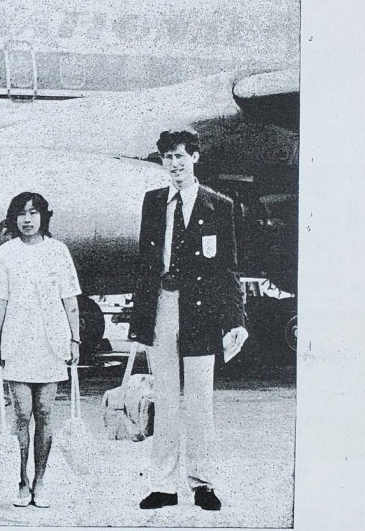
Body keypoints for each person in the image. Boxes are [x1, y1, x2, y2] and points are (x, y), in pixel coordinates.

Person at [129, 129, 249, 511]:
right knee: (164, 398)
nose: (174, 164)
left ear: (195, 157)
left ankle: (202, 482)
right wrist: (141, 317)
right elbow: (146, 265)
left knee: (199, 400)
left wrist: (236, 319)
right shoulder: (153, 203)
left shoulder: (219, 205)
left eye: (180, 156)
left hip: (201, 310)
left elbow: (228, 268)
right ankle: (164, 484)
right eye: (167, 157)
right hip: (163, 304)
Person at [0, 192, 81, 508]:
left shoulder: (59, 251)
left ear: (44, 216)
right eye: (21, 213)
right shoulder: (4, 252)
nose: (27, 219)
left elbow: (71, 300)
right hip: (17, 342)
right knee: (22, 414)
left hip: (51, 342)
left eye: (34, 212)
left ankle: (40, 481)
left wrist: (75, 339)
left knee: (44, 413)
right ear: (13, 219)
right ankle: (21, 480)